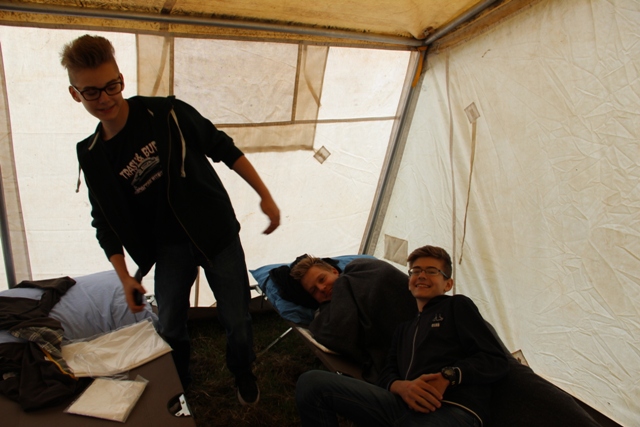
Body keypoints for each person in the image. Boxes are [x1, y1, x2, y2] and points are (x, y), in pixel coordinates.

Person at [60, 35, 280, 405]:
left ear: (122, 80)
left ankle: (243, 371)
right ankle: (181, 384)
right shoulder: (92, 155)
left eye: (111, 86)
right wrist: (125, 277)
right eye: (91, 92)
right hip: (168, 248)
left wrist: (264, 194)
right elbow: (104, 222)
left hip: (215, 235)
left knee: (237, 318)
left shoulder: (166, 113)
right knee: (170, 324)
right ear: (75, 94)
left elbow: (221, 146)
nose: (105, 99)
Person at [295, 245, 509, 426]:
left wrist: (448, 376)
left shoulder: (457, 307)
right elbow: (387, 371)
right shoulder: (404, 329)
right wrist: (401, 387)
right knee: (311, 383)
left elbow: (495, 359)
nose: (422, 276)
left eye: (431, 271)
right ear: (408, 281)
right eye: (416, 271)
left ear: (448, 284)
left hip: (451, 409)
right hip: (401, 405)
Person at [288, 255, 417, 384]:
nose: (321, 288)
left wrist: (342, 285)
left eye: (322, 279)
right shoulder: (324, 316)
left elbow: (385, 276)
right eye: (314, 290)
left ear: (334, 271)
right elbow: (336, 334)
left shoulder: (361, 269)